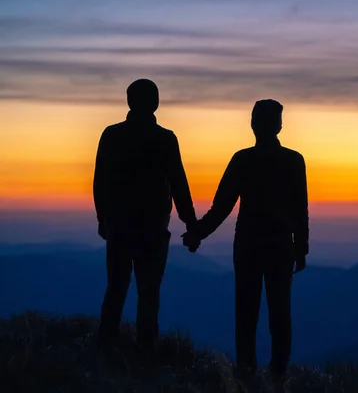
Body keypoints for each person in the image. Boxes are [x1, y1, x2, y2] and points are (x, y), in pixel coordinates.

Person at [183, 99, 309, 378]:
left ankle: (246, 373)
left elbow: (222, 207)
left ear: (253, 124)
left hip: (249, 246)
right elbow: (300, 209)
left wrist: (197, 233)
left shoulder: (243, 160)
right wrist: (301, 248)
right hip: (279, 246)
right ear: (279, 125)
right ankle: (278, 373)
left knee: (246, 313)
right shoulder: (293, 160)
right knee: (279, 312)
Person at [93, 79, 197, 359]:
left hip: (119, 227)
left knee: (116, 288)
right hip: (153, 229)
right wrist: (191, 224)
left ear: (129, 102)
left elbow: (99, 181)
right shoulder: (165, 139)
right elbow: (178, 184)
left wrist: (103, 219)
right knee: (149, 293)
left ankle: (105, 346)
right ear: (155, 103)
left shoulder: (111, 135)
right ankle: (146, 352)